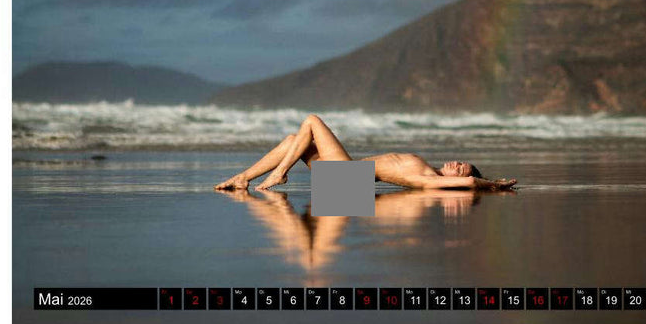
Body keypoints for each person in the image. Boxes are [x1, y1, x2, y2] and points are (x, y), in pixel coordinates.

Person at [214, 114, 517, 192]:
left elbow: (468, 184)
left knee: (312, 121)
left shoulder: (430, 180)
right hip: (347, 180)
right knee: (296, 138)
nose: (457, 164)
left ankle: (280, 173)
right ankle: (242, 178)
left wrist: (492, 184)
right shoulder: (429, 172)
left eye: (461, 168)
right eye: (461, 162)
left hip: (349, 179)